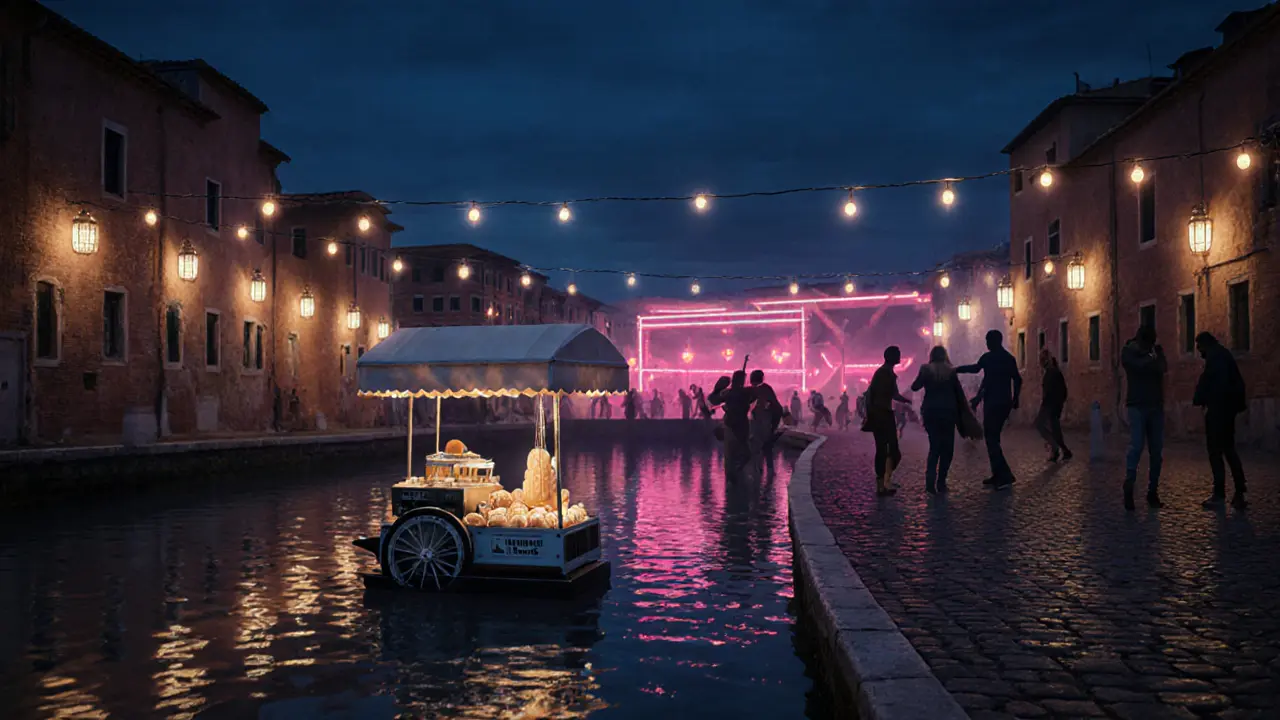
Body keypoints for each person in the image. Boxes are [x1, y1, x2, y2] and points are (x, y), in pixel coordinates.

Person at [957, 330, 1022, 490]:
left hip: (993, 403)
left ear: (994, 341)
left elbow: (975, 369)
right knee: (993, 438)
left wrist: (956, 369)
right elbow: (1016, 379)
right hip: (1004, 401)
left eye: (988, 340)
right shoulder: (1009, 359)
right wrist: (1015, 398)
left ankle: (1005, 475)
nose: (986, 343)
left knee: (991, 438)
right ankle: (998, 474)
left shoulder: (988, 358)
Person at [1193, 332, 1248, 510]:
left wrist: (1208, 402)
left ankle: (1220, 494)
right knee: (1229, 450)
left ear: (1204, 344)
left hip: (1219, 411)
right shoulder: (1221, 355)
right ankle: (1239, 491)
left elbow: (1217, 386)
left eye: (1199, 347)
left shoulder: (1216, 358)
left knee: (1216, 452)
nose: (1198, 351)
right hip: (1226, 410)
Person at [1121, 324, 1167, 510]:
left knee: (1156, 451)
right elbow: (1137, 366)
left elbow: (1163, 367)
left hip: (1155, 405)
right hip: (1137, 405)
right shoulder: (1128, 351)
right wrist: (1151, 358)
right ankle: (1129, 483)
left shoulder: (1154, 351)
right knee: (1137, 445)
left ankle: (1153, 491)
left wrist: (1153, 358)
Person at [911, 346, 960, 494]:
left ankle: (930, 482)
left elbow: (915, 386)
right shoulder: (950, 370)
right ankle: (942, 482)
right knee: (947, 449)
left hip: (931, 412)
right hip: (948, 412)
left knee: (934, 447)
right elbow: (957, 392)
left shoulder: (926, 369)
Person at [866, 346, 911, 496]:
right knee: (887, 450)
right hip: (882, 414)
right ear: (891, 357)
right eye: (898, 354)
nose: (900, 356)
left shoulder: (886, 372)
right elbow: (876, 395)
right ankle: (883, 483)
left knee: (886, 450)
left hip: (882, 413)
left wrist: (906, 400)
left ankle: (884, 482)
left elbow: (893, 395)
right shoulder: (884, 373)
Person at [710, 372, 754, 481]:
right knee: (740, 452)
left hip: (734, 424)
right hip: (738, 425)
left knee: (735, 454)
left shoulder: (731, 393)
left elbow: (714, 399)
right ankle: (734, 476)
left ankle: (733, 476)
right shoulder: (743, 392)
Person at [1036, 349, 1072, 462]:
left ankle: (1057, 448)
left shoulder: (1052, 372)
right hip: (1054, 405)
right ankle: (1061, 450)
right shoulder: (1053, 371)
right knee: (1054, 428)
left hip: (1050, 405)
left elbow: (1051, 392)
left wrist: (1048, 404)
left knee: (1041, 424)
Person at [749, 370, 787, 473]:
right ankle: (765, 471)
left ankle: (762, 471)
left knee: (762, 448)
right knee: (764, 449)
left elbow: (776, 408)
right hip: (762, 424)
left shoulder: (761, 390)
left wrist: (773, 425)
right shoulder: (763, 390)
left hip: (762, 424)